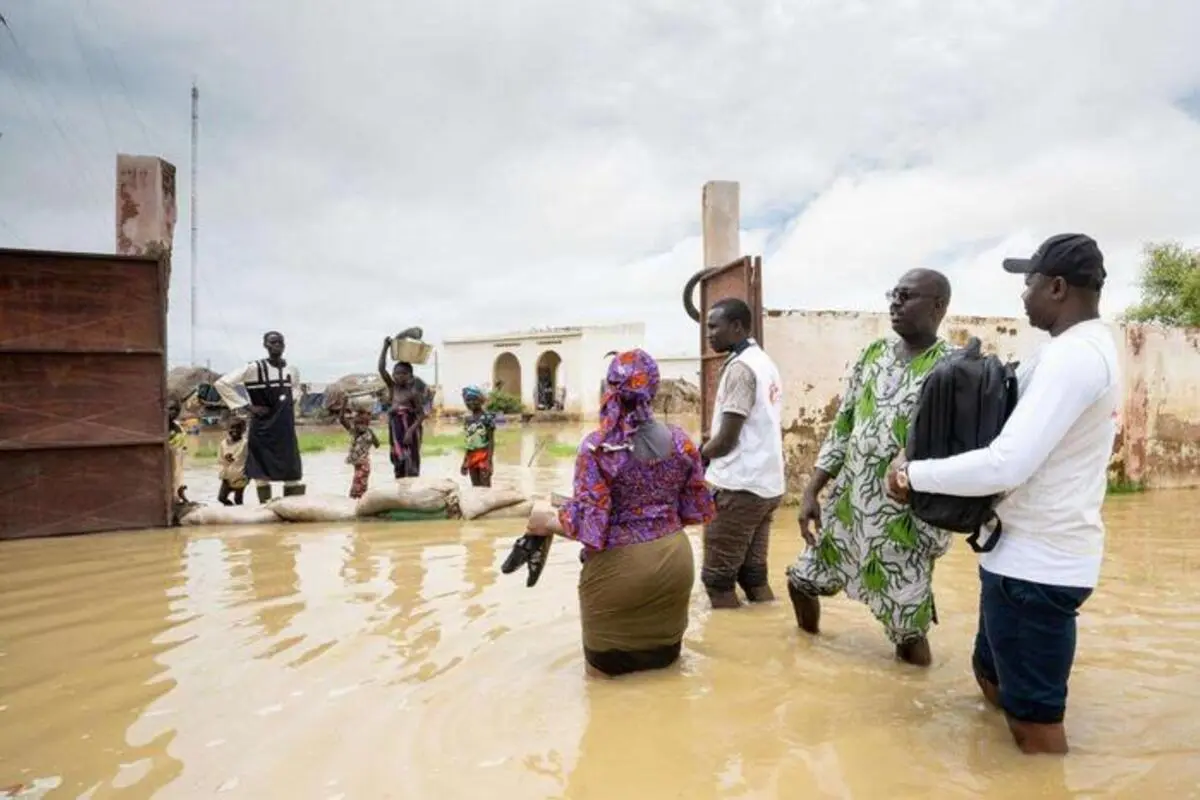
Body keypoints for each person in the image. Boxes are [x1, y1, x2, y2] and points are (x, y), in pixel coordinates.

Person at [887, 234, 1119, 754]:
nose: (1022, 295)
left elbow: (1006, 463)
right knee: (990, 679)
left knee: (1034, 728)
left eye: (1029, 282)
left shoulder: (1075, 358)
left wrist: (912, 476)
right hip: (1016, 560)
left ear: (1057, 287)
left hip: (1038, 571)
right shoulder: (1065, 351)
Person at [786, 269, 954, 667]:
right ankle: (805, 657)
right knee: (801, 581)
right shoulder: (873, 354)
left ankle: (912, 704)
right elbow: (843, 425)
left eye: (906, 296)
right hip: (848, 510)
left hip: (905, 522)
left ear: (938, 306)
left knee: (907, 630)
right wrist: (812, 491)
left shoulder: (952, 368)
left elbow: (958, 450)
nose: (894, 303)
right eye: (893, 294)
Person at [523, 349, 716, 678]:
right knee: (666, 677)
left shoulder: (597, 449)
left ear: (611, 388)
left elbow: (588, 526)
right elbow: (693, 508)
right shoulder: (683, 443)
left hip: (619, 573)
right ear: (653, 390)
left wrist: (544, 520)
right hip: (674, 562)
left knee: (603, 687)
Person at [699, 297, 785, 609]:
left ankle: (731, 654)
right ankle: (767, 638)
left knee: (717, 581)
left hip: (740, 486)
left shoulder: (741, 368)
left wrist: (698, 456)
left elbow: (727, 440)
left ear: (736, 327)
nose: (708, 334)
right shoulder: (765, 362)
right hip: (768, 485)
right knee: (753, 577)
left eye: (713, 326)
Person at [214, 330, 305, 503]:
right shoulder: (253, 368)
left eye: (280, 342)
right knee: (261, 470)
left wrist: (288, 404)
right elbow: (222, 383)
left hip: (284, 427)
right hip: (262, 427)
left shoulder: (291, 370)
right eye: (272, 342)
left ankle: (293, 510)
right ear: (265, 346)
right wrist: (247, 406)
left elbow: (296, 389)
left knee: (291, 468)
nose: (277, 345)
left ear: (284, 345)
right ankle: (266, 508)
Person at [378, 337, 426, 478]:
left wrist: (410, 432)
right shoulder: (393, 388)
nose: (399, 376)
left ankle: (412, 494)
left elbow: (421, 415)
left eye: (403, 373)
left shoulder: (413, 393)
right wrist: (385, 347)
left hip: (409, 434)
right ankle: (401, 494)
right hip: (395, 432)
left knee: (411, 465)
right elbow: (381, 369)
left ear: (410, 375)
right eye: (397, 373)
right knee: (398, 464)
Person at [340, 408, 380, 499]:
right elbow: (341, 419)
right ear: (355, 424)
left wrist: (371, 436)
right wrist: (344, 404)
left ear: (367, 424)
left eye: (364, 424)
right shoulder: (354, 432)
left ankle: (359, 508)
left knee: (357, 491)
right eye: (358, 424)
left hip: (363, 465)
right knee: (358, 490)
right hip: (359, 465)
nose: (361, 426)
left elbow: (377, 444)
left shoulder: (367, 433)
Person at [460, 385, 496, 487]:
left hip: (484, 456)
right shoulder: (468, 420)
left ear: (480, 400)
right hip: (471, 457)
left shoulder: (487, 418)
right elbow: (469, 442)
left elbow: (491, 441)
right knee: (475, 488)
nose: (470, 403)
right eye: (467, 400)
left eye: (473, 399)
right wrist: (465, 461)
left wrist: (489, 462)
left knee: (485, 488)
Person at [217, 418, 248, 506]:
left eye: (238, 428)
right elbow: (221, 461)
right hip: (227, 477)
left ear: (243, 430)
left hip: (241, 476)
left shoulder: (245, 444)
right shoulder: (223, 444)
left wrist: (248, 476)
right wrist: (223, 476)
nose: (235, 430)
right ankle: (230, 510)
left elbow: (250, 460)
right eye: (232, 428)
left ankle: (240, 516)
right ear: (228, 429)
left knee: (238, 499)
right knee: (221, 498)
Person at [168, 400, 190, 506]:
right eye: (170, 408)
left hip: (173, 472)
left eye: (177, 410)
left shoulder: (179, 430)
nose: (174, 412)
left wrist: (180, 485)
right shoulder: (157, 429)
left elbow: (179, 463)